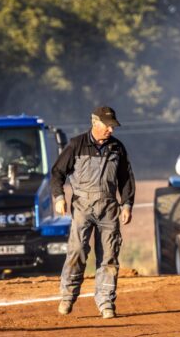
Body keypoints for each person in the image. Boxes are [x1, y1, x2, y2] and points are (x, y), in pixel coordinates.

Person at [50, 106, 135, 319]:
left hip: (109, 208)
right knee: (77, 250)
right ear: (94, 123)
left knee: (109, 255)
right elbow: (57, 173)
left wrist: (126, 205)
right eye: (107, 126)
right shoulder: (76, 145)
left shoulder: (117, 148)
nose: (111, 130)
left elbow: (126, 179)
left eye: (112, 126)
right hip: (82, 206)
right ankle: (68, 296)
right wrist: (59, 197)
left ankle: (106, 302)